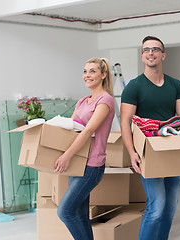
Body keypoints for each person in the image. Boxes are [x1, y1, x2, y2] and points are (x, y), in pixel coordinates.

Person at [120, 36, 180, 240]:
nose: (151, 53)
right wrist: (132, 152)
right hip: (148, 152)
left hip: (173, 151)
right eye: (147, 49)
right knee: (156, 206)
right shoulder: (134, 86)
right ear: (142, 56)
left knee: (170, 208)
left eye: (156, 49)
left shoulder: (176, 85)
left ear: (163, 55)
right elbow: (125, 122)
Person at [55, 58, 115, 240]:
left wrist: (66, 156)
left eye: (92, 71)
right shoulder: (82, 101)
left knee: (65, 211)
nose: (87, 75)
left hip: (92, 165)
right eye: (85, 71)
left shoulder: (106, 100)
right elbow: (72, 127)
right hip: (78, 162)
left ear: (103, 75)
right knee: (79, 214)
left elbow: (89, 130)